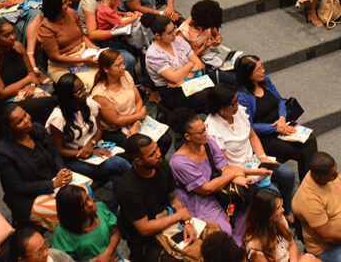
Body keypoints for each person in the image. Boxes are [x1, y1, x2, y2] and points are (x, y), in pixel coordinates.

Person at [168, 108, 272, 245]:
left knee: (248, 210)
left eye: (204, 129)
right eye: (200, 132)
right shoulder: (179, 163)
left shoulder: (208, 144)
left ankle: (240, 247)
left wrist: (245, 180)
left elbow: (224, 169)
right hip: (199, 199)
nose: (205, 134)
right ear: (187, 136)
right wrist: (234, 174)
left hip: (218, 186)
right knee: (224, 231)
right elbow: (206, 188)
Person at [118, 132, 216, 262]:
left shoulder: (161, 165)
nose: (158, 154)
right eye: (151, 154)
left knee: (215, 239)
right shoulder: (129, 190)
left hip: (169, 223)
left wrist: (186, 222)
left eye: (157, 149)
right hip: (147, 242)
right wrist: (179, 216)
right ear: (138, 161)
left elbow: (173, 198)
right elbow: (144, 229)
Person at [206, 84, 297, 217]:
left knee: (288, 175)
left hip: (253, 161)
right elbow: (224, 166)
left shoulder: (238, 111)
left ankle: (286, 213)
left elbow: (252, 136)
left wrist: (263, 157)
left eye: (237, 100)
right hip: (238, 171)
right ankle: (276, 218)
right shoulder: (213, 130)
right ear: (221, 110)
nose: (238, 104)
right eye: (234, 103)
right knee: (273, 193)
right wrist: (256, 172)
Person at [46, 73, 132, 201]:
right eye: (78, 92)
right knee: (119, 164)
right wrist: (86, 151)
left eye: (84, 88)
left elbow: (99, 130)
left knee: (118, 177)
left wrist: (91, 144)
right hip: (74, 159)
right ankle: (144, 189)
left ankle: (119, 209)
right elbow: (59, 150)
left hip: (94, 147)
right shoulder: (57, 118)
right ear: (67, 96)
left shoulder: (89, 103)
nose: (84, 93)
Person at [235, 55, 319, 181]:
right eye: (258, 69)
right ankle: (310, 185)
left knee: (310, 139)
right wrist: (276, 128)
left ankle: (312, 182)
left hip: (281, 125)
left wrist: (282, 118)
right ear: (248, 74)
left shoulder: (266, 80)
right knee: (303, 152)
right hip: (264, 137)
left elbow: (280, 100)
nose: (263, 71)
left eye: (262, 67)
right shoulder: (242, 97)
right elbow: (249, 126)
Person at [0, 104, 71, 229]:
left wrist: (62, 171)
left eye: (25, 115)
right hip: (28, 199)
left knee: (83, 194)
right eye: (19, 121)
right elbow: (17, 188)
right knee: (69, 212)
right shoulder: (4, 152)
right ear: (8, 128)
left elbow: (55, 155)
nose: (26, 120)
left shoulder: (37, 129)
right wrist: (52, 184)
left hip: (54, 183)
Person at [0, 19, 56, 123]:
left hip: (26, 91)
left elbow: (32, 74)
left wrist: (31, 85)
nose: (12, 37)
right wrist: (27, 80)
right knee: (49, 103)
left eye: (13, 33)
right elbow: (2, 93)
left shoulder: (18, 46)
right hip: (6, 103)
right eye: (6, 35)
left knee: (50, 103)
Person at [145, 12, 210, 113]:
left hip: (188, 80)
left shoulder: (178, 40)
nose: (174, 34)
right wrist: (190, 64)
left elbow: (200, 64)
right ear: (158, 36)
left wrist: (185, 78)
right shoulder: (153, 54)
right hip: (172, 91)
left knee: (215, 93)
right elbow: (175, 78)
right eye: (169, 33)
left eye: (174, 29)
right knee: (210, 97)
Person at [36, 0, 101, 86]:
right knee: (93, 82)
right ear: (54, 7)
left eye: (66, 1)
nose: (67, 5)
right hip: (64, 67)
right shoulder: (46, 28)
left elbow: (82, 37)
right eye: (63, 4)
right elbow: (55, 57)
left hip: (83, 55)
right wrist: (83, 60)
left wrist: (95, 49)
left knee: (109, 70)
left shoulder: (71, 13)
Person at [243, 188, 317, 262]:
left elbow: (291, 243)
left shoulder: (279, 219)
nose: (283, 210)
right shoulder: (255, 247)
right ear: (267, 214)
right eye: (278, 208)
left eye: (281, 204)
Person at [52, 184, 122, 262]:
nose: (90, 204)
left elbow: (115, 232)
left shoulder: (101, 208)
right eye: (83, 205)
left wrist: (108, 252)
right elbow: (63, 259)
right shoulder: (61, 233)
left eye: (88, 198)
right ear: (73, 212)